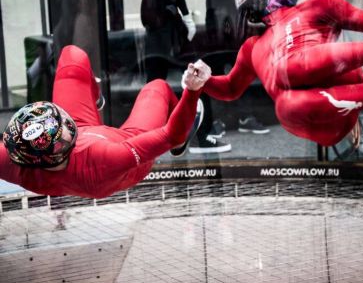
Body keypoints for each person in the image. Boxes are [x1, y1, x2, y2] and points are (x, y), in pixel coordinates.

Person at [190, 0, 363, 148]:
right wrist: (203, 81)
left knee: (285, 68)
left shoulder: (318, 5)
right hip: (312, 114)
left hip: (345, 82)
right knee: (285, 105)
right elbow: (230, 88)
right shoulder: (251, 48)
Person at [0, 45, 209, 199]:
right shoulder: (103, 158)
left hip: (83, 134)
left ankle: (95, 97)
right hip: (124, 148)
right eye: (61, 127)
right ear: (55, 150)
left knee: (72, 55)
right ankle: (182, 144)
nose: (65, 122)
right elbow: (170, 134)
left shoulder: (20, 162)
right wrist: (192, 91)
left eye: (58, 120)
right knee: (157, 87)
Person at [193, 0, 268, 151]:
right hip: (216, 11)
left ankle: (244, 116)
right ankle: (214, 120)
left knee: (240, 64)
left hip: (236, 12)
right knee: (215, 66)